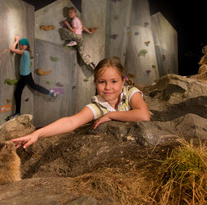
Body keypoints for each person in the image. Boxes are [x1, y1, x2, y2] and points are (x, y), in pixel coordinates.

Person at [12, 58, 150, 149]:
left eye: (114, 81)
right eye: (102, 82)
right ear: (96, 83)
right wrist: (37, 134)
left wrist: (111, 115)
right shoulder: (98, 106)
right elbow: (71, 122)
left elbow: (144, 115)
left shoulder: (131, 92)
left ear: (122, 82)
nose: (108, 87)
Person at [6, 36, 57, 121]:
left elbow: (11, 49)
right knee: (25, 90)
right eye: (20, 45)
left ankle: (17, 113)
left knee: (20, 92)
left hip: (25, 76)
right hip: (25, 75)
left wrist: (16, 41)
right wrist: (18, 42)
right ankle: (51, 93)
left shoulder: (25, 53)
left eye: (22, 45)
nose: (21, 46)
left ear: (26, 46)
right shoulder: (25, 52)